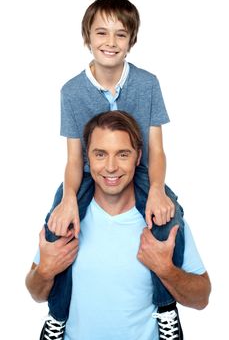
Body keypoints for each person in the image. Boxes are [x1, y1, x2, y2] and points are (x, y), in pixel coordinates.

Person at [35, 0, 187, 339]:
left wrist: (159, 191)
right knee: (58, 226)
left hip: (140, 172)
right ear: (87, 37)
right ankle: (58, 315)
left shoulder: (148, 83)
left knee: (168, 217)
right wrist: (70, 196)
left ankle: (164, 309)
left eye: (120, 34)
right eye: (101, 33)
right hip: (89, 175)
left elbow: (157, 149)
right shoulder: (71, 92)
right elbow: (75, 159)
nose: (110, 42)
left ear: (132, 41)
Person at [26, 111, 211, 340]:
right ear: (87, 158)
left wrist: (166, 270)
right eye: (100, 154)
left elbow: (201, 299)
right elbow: (36, 293)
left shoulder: (163, 218)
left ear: (138, 157)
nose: (111, 167)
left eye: (123, 154)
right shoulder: (66, 218)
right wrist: (45, 271)